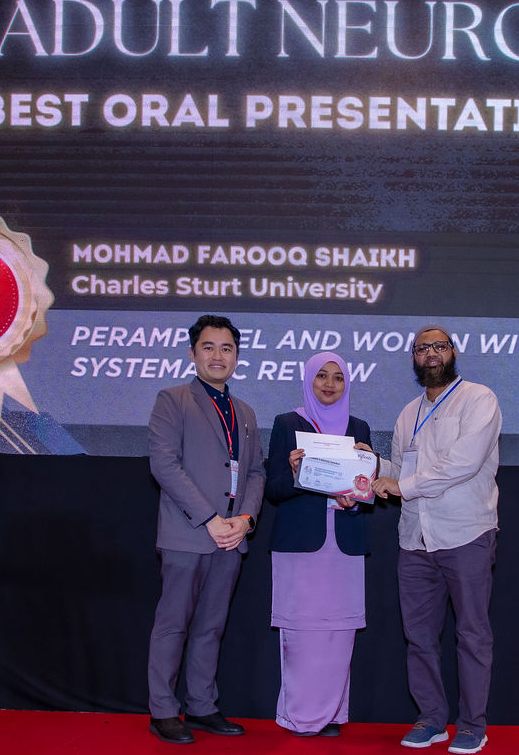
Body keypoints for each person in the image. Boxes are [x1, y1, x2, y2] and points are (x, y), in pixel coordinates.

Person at [372, 324, 501, 755]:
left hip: (465, 532)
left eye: (439, 346)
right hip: (415, 538)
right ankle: (431, 718)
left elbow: (463, 463)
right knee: (419, 637)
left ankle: (472, 725)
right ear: (413, 357)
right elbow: (400, 469)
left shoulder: (478, 399)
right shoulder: (408, 413)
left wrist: (401, 486)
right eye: (422, 348)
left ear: (453, 352)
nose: (431, 353)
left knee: (472, 635)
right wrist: (368, 464)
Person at [146, 315, 265, 744]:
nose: (218, 355)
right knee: (173, 624)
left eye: (227, 348)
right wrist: (210, 518)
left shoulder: (245, 412)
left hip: (232, 537)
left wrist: (245, 520)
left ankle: (201, 705)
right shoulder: (172, 400)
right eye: (209, 347)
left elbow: (255, 473)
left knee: (211, 626)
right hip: (188, 534)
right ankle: (163, 710)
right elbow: (164, 465)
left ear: (237, 356)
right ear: (192, 353)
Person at [265, 352, 374, 737]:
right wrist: (296, 473)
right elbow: (273, 490)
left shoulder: (359, 427)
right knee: (302, 634)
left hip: (344, 544)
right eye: (322, 376)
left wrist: (357, 497)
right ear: (309, 380)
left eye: (338, 377)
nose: (330, 384)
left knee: (339, 634)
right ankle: (299, 717)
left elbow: (363, 491)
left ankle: (330, 715)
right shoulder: (287, 423)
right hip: (301, 545)